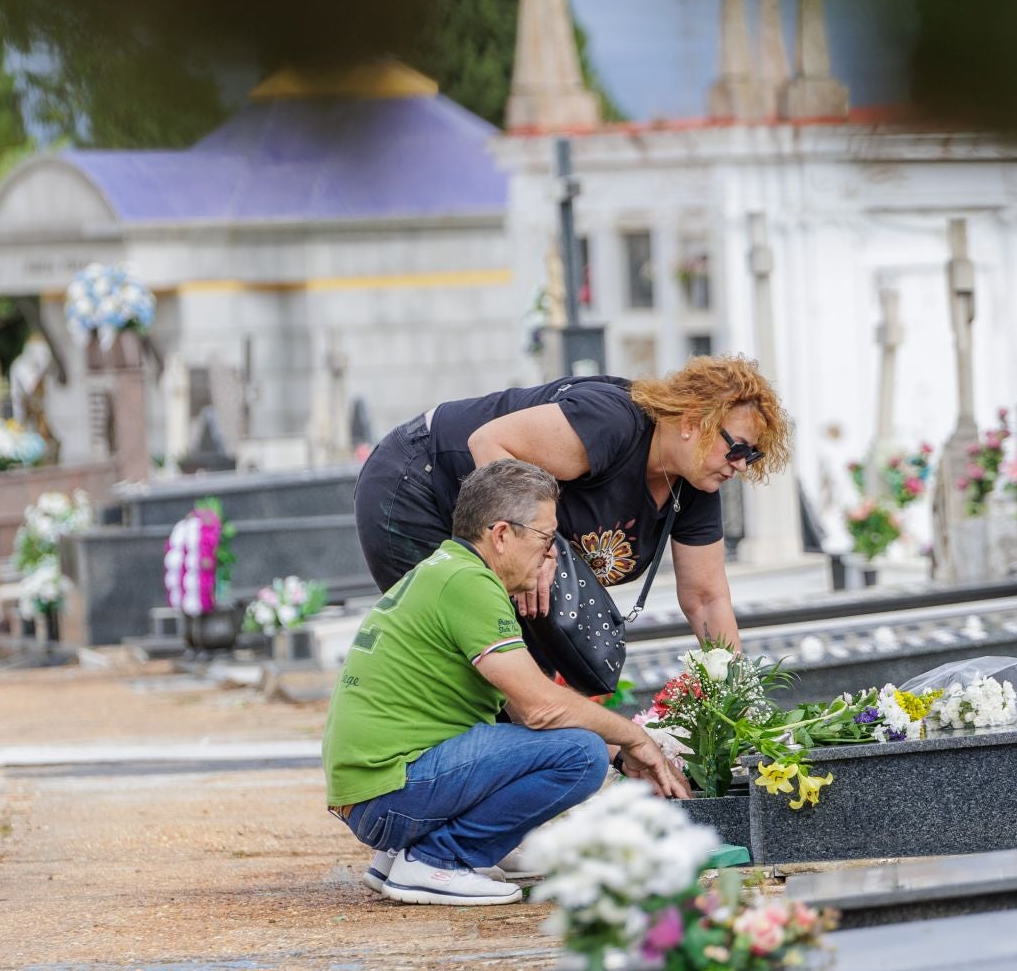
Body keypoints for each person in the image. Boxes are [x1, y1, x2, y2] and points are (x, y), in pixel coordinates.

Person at [324, 458, 688, 906]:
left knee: (581, 745)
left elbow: (521, 707)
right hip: (391, 792)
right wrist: (636, 739)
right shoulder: (468, 583)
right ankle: (440, 859)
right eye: (544, 538)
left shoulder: (449, 569)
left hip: (378, 791)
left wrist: (624, 754)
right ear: (500, 535)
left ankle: (412, 854)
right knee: (580, 754)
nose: (553, 552)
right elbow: (541, 709)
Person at [353, 354, 792, 652]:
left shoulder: (694, 485)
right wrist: (536, 548)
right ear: (693, 423)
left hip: (486, 517)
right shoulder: (613, 421)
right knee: (470, 657)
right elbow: (488, 441)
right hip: (420, 480)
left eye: (752, 457)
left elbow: (706, 599)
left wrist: (742, 702)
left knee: (525, 670)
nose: (741, 465)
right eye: (737, 448)